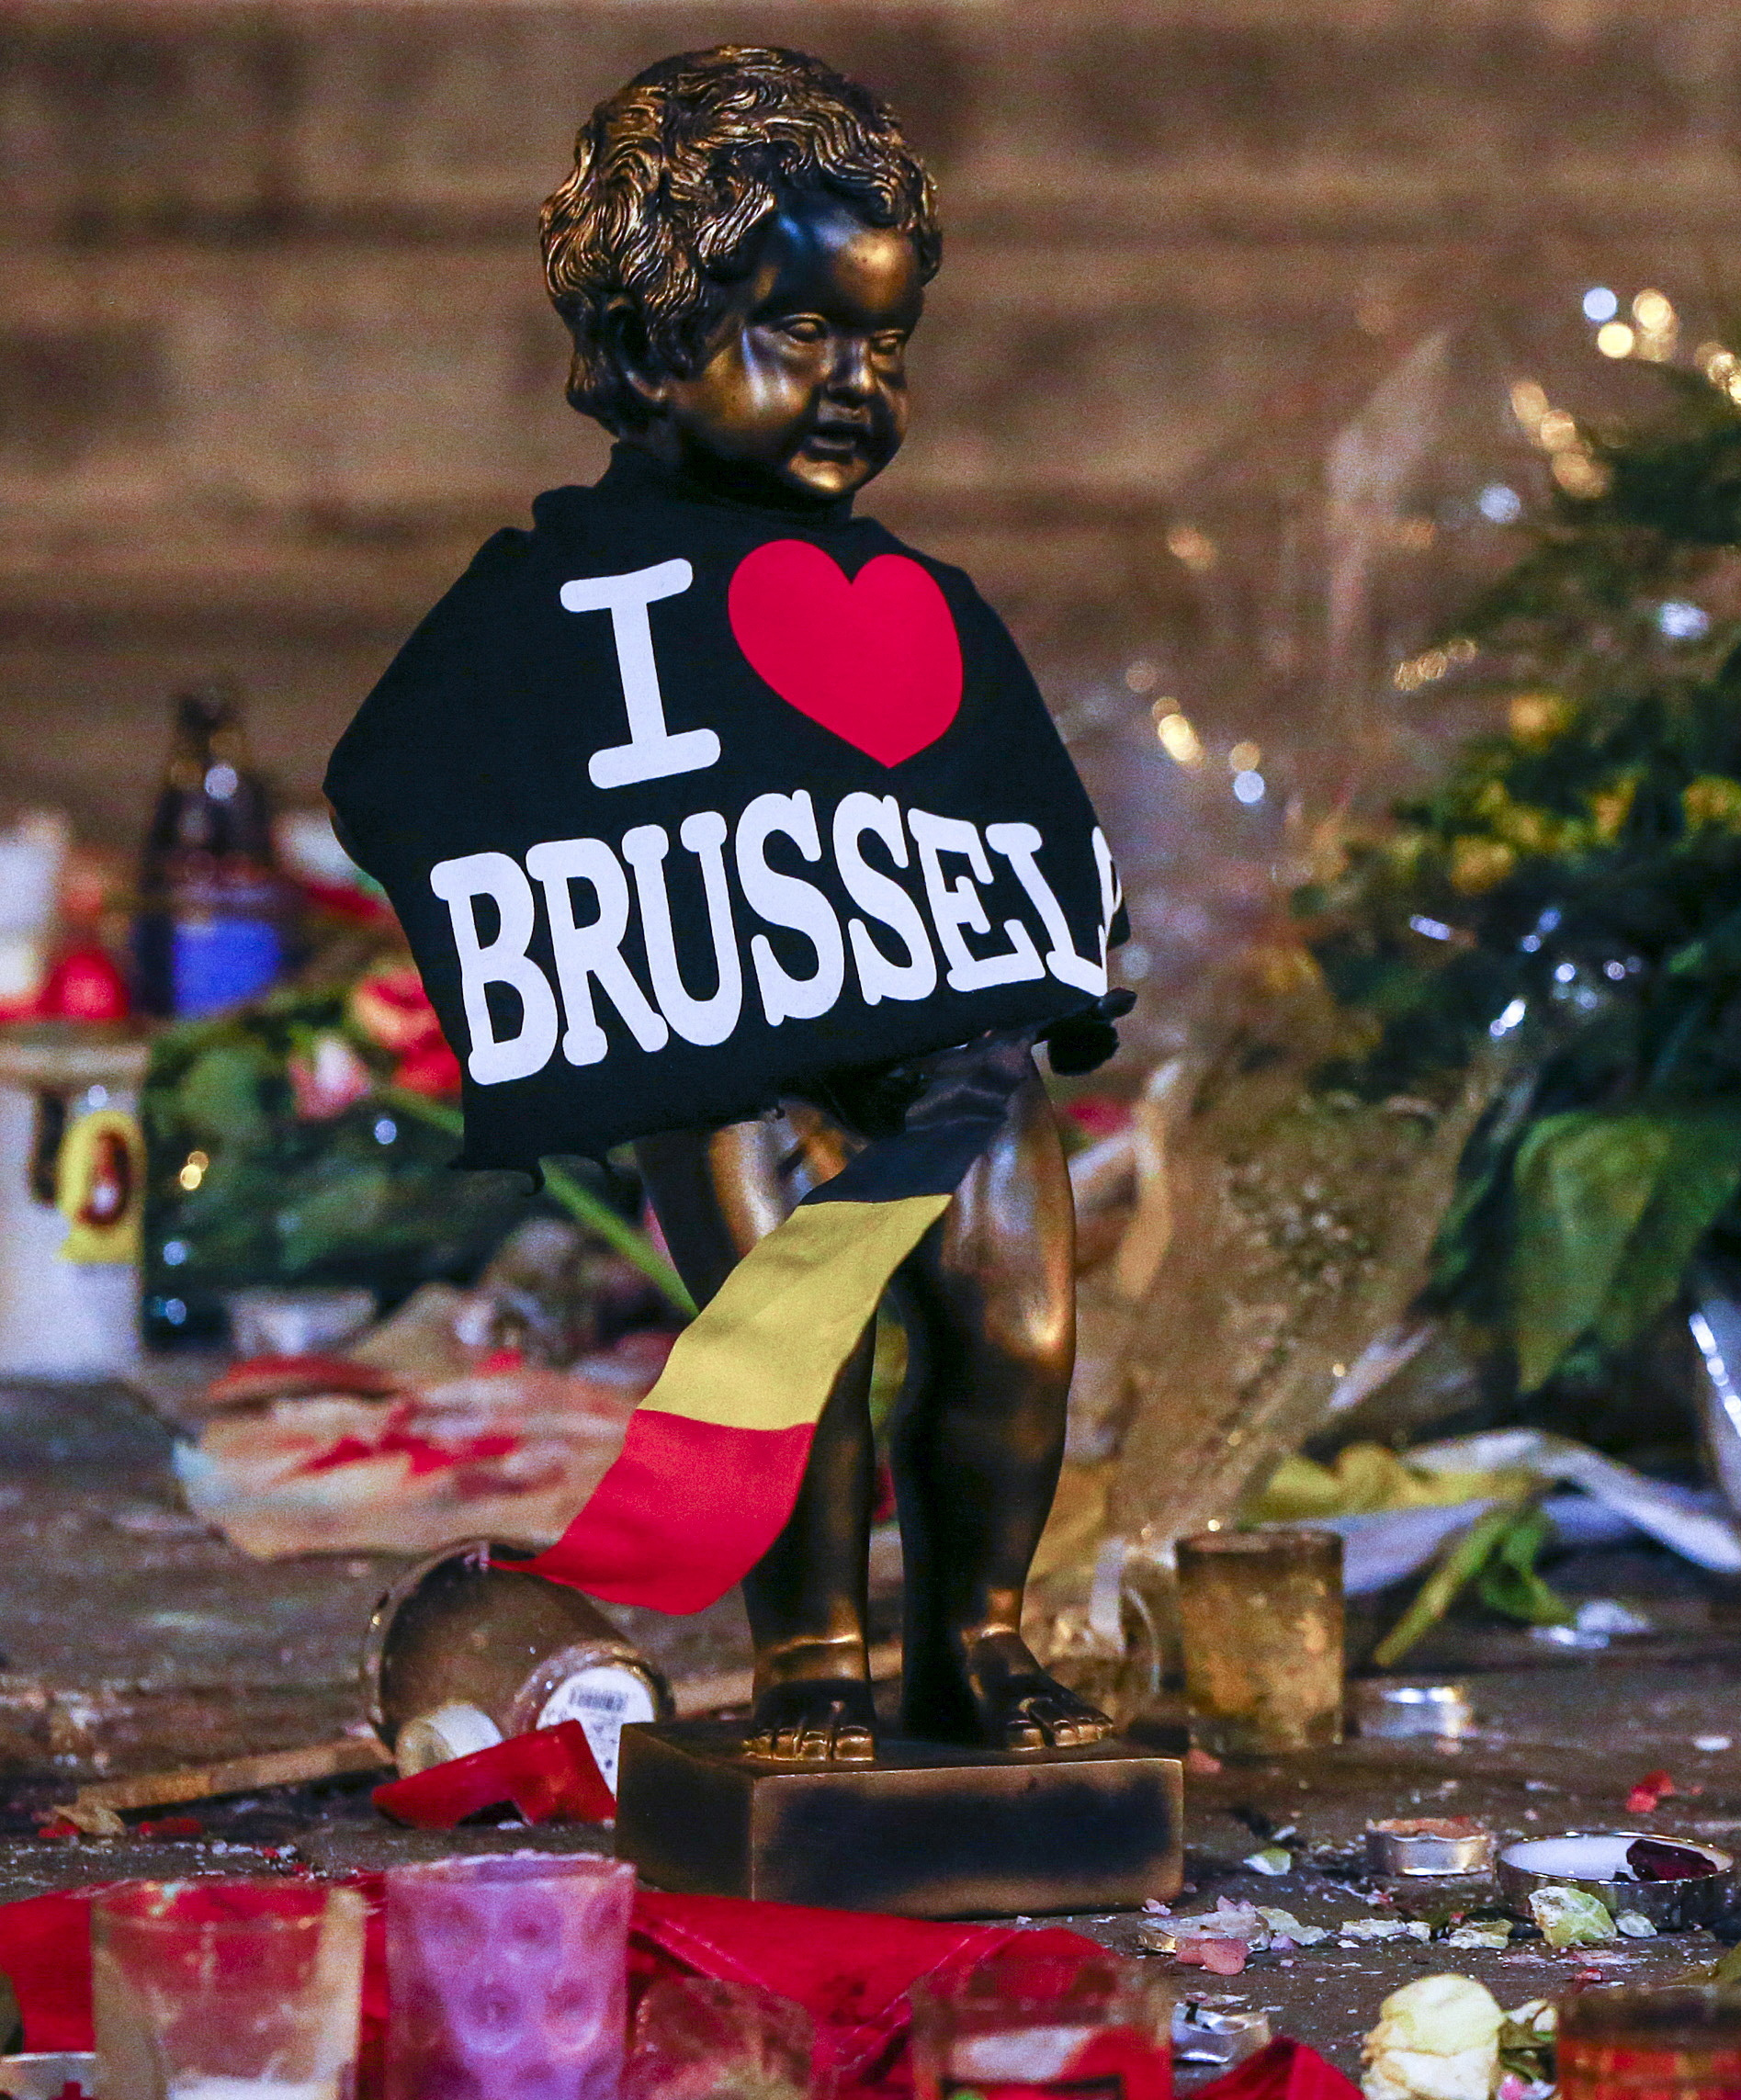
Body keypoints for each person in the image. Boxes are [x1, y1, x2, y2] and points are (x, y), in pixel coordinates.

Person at [328, 46, 1126, 1765]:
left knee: (1020, 1320)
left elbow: (1014, 803)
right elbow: (398, 777)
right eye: (803, 333)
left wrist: (1053, 950)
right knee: (786, 1344)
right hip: (721, 1038)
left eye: (888, 345)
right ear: (643, 349)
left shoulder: (922, 597)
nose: (855, 385)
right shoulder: (555, 602)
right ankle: (815, 1657)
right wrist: (568, 953)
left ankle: (976, 1638)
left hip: (944, 1027)